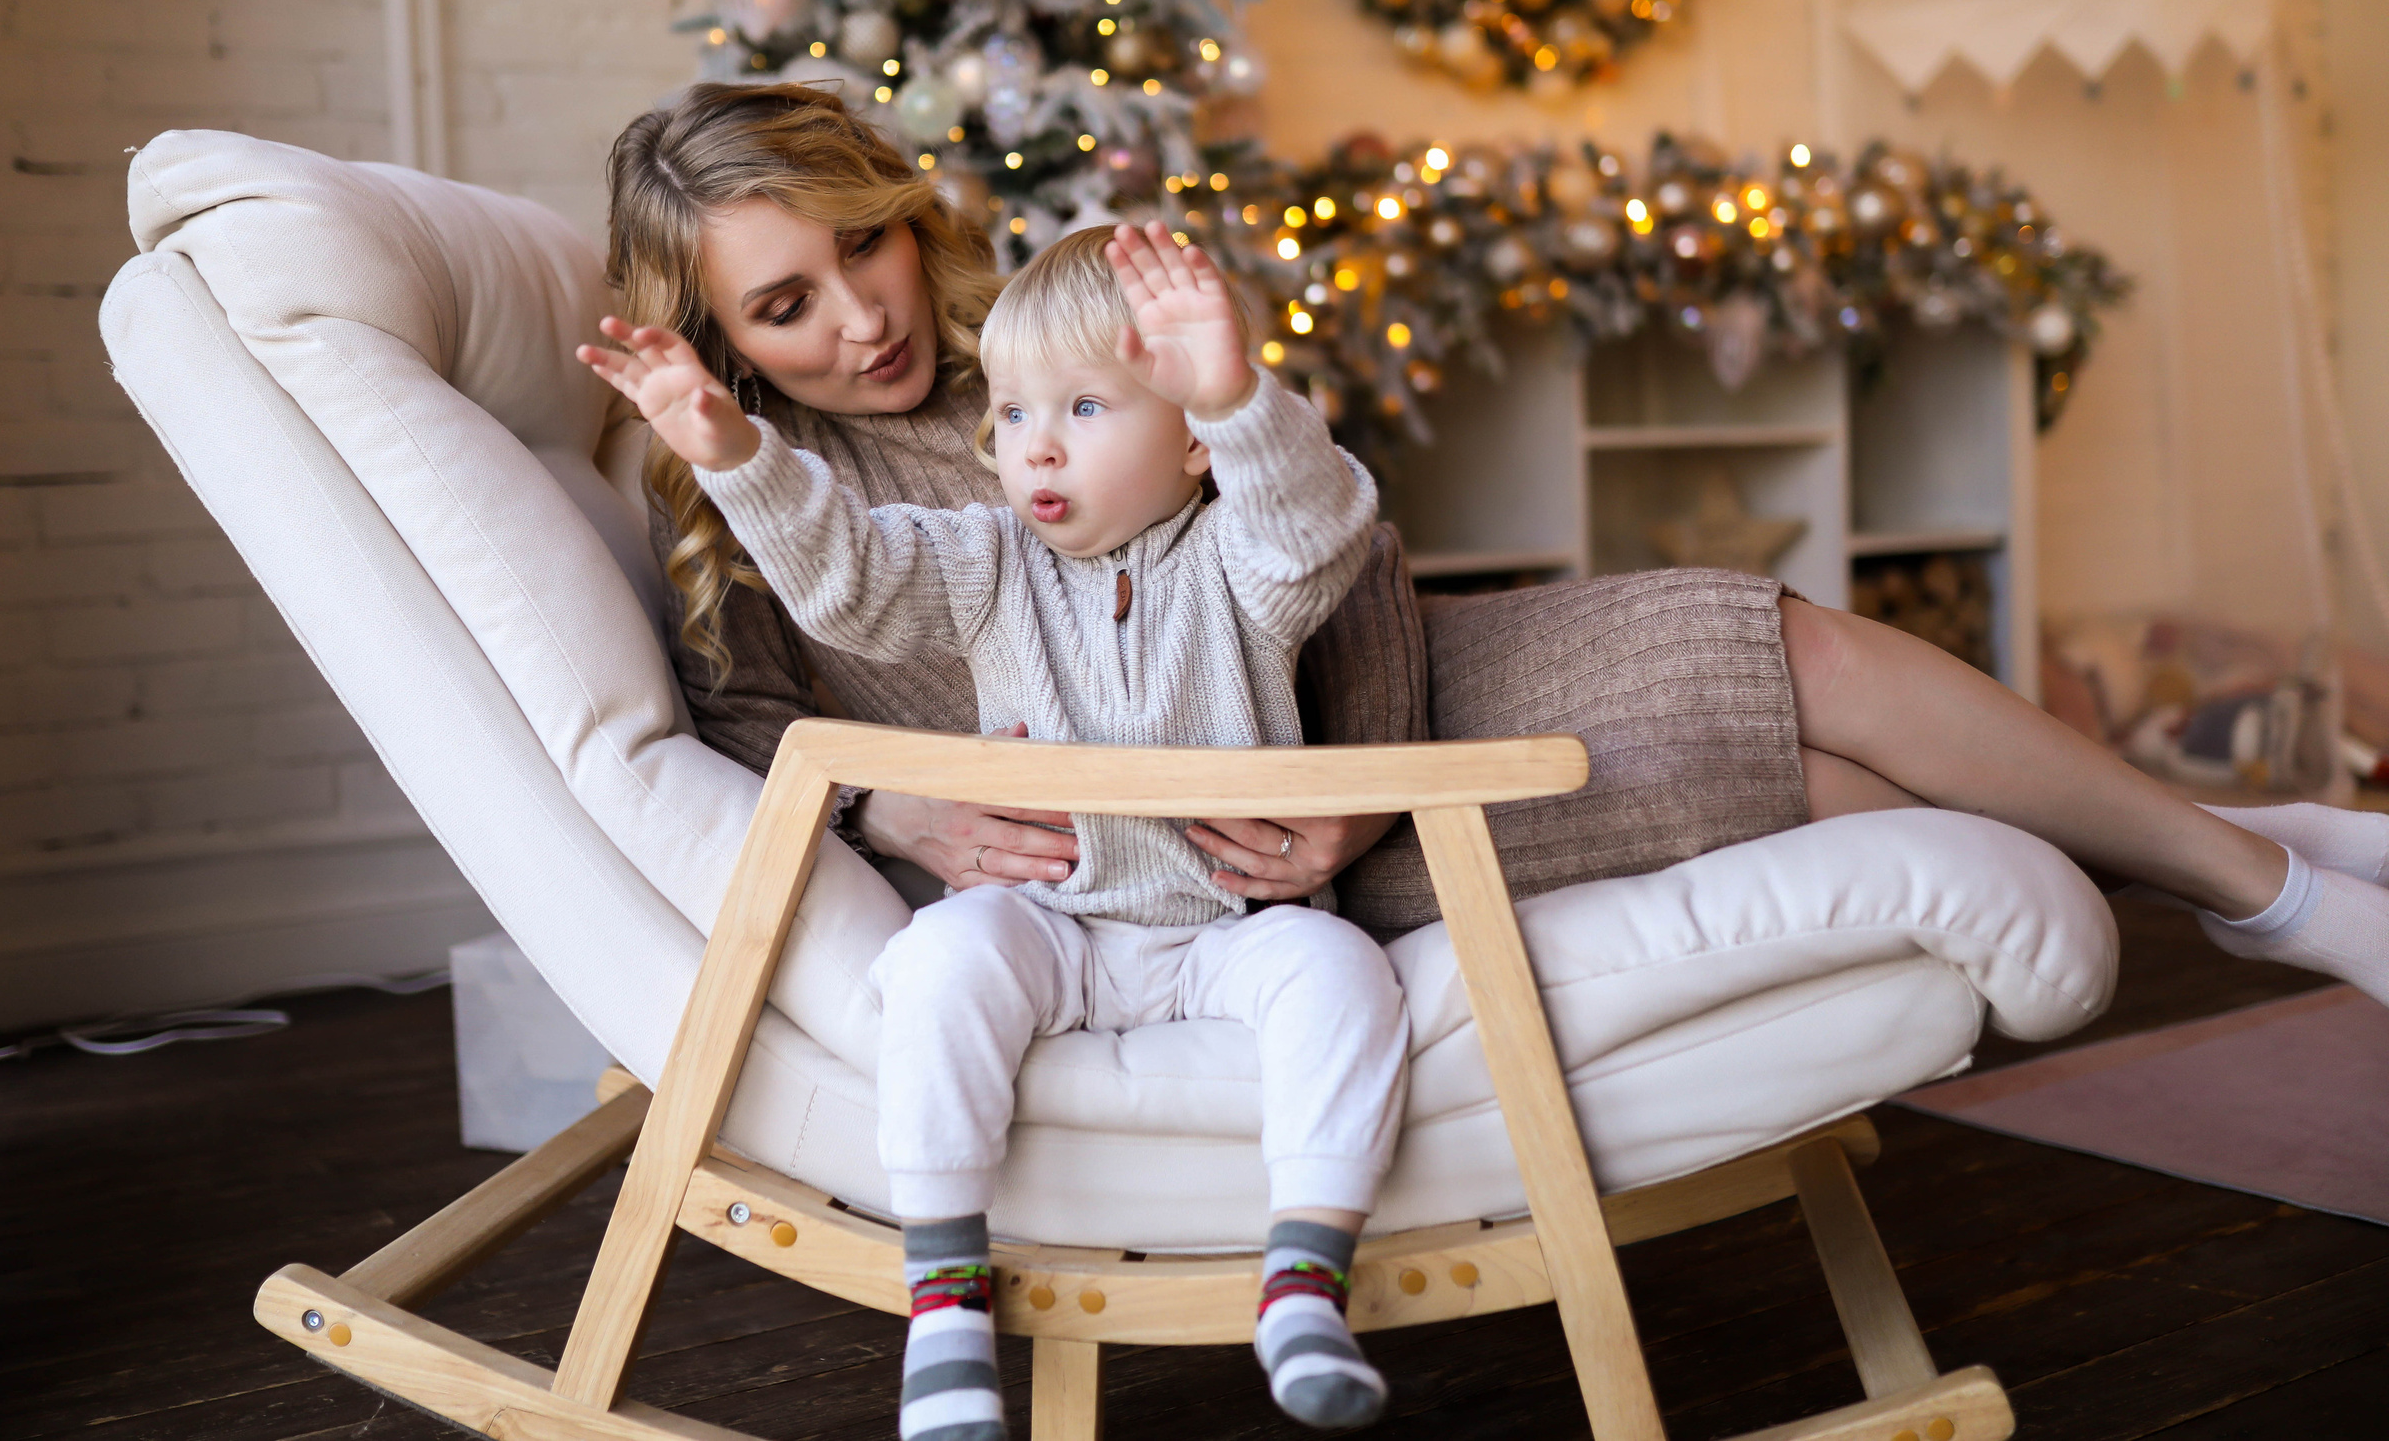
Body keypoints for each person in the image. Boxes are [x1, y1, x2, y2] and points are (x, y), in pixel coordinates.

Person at [592, 80, 2388, 1022]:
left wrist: (1374, 780)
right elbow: (731, 734)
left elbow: (1326, 538)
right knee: (1818, 771)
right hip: (1223, 840)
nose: (861, 318)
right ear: (721, 342)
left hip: (1367, 714)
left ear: (907, 214)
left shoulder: (1048, 356)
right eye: (788, 305)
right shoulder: (755, 499)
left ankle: (2263, 880)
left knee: (1774, 635)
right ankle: (2239, 865)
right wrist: (894, 811)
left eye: (867, 250)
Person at [583, 220, 1411, 1437]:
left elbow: (1319, 522)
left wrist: (1237, 396)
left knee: (1345, 976)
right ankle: (947, 1299)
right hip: (1052, 921)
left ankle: (1303, 1277)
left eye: (1084, 408)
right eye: (1014, 413)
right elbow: (850, 579)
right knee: (936, 963)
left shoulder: (1246, 561)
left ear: (1189, 441)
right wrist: (734, 452)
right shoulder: (986, 560)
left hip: (1225, 927)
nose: (1033, 448)